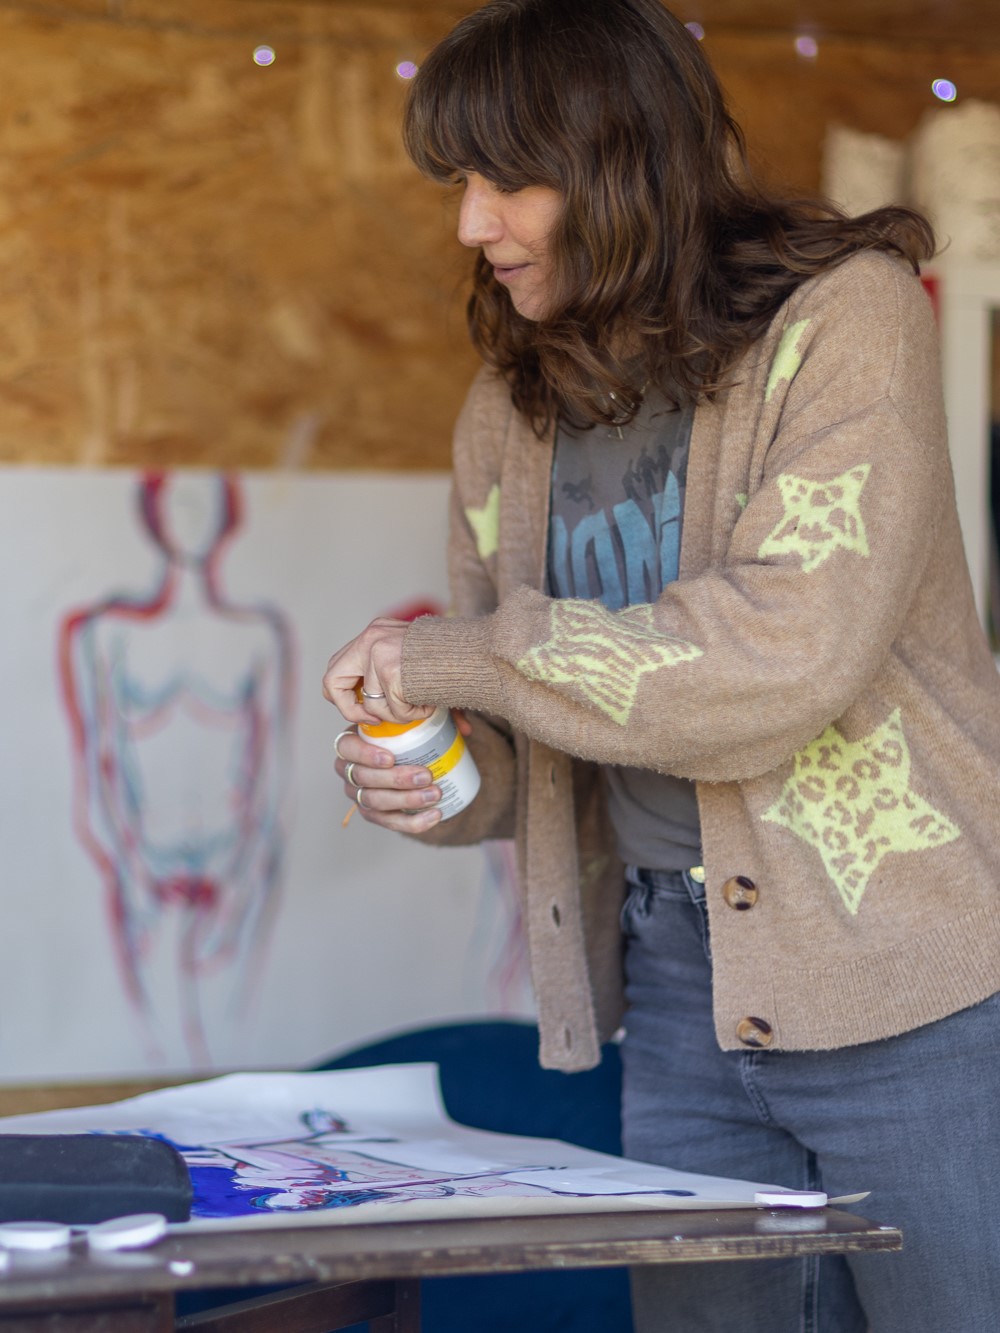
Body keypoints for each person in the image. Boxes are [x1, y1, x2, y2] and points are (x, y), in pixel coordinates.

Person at [322, 1, 1000, 1328]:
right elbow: (527, 747)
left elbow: (782, 657)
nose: (471, 224)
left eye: (504, 178)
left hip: (907, 975)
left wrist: (455, 655)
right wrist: (439, 781)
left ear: (620, 164)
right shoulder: (503, 411)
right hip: (677, 987)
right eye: (460, 184)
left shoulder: (846, 320)